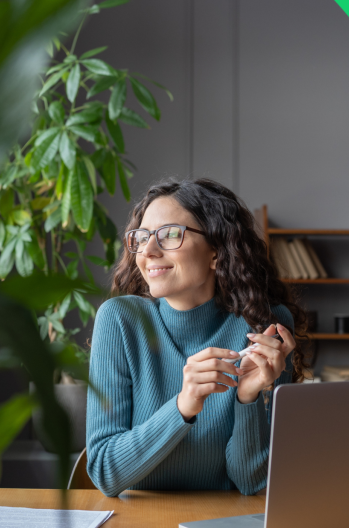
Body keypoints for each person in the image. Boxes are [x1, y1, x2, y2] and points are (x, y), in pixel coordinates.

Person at [86, 178, 309, 497]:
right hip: (135, 527)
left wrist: (247, 398)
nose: (148, 251)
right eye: (142, 237)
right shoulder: (120, 320)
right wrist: (183, 405)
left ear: (216, 251)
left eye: (170, 235)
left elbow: (251, 481)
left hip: (222, 527)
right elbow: (105, 472)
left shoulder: (265, 327)